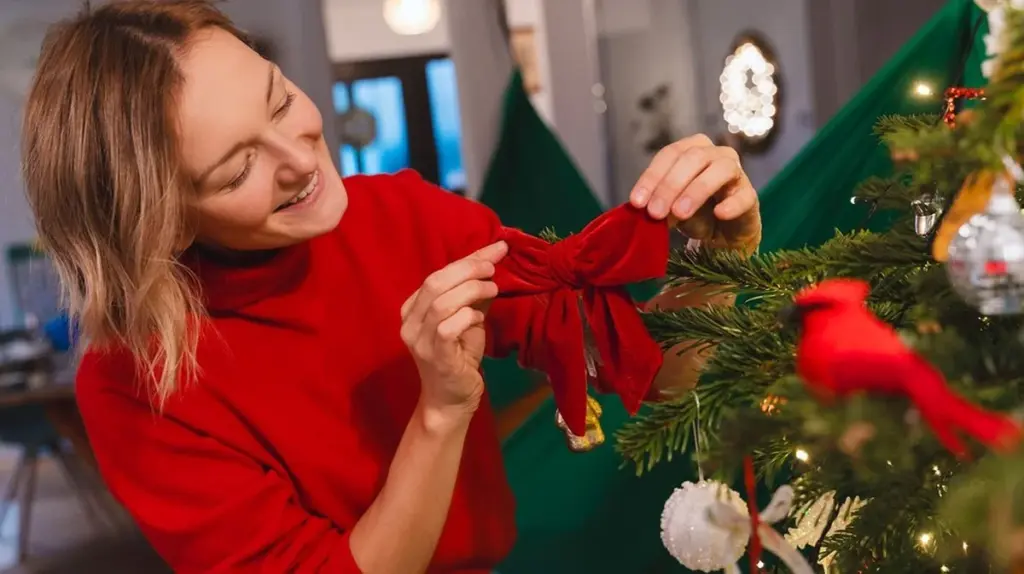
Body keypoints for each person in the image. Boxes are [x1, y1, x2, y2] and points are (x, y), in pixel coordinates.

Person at [20, 1, 762, 572]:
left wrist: (717, 258)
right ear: (162, 221)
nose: (299, 159)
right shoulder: (134, 383)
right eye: (237, 168)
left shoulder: (405, 217)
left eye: (279, 101)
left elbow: (649, 371)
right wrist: (440, 412)